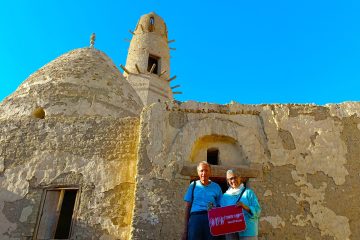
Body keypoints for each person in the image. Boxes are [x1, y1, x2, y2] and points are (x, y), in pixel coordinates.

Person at [183, 161, 223, 240]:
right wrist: (185, 228)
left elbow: (221, 205)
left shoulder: (216, 187)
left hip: (211, 219)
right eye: (201, 171)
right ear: (198, 172)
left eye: (206, 170)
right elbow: (188, 207)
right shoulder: (193, 185)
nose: (204, 173)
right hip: (195, 219)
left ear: (210, 172)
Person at [220, 169, 261, 240]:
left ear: (240, 178)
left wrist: (245, 206)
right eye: (230, 179)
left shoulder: (248, 193)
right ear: (227, 181)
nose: (233, 181)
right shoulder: (225, 196)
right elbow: (221, 215)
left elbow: (258, 211)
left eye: (235, 177)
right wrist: (212, 210)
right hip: (231, 232)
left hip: (248, 231)